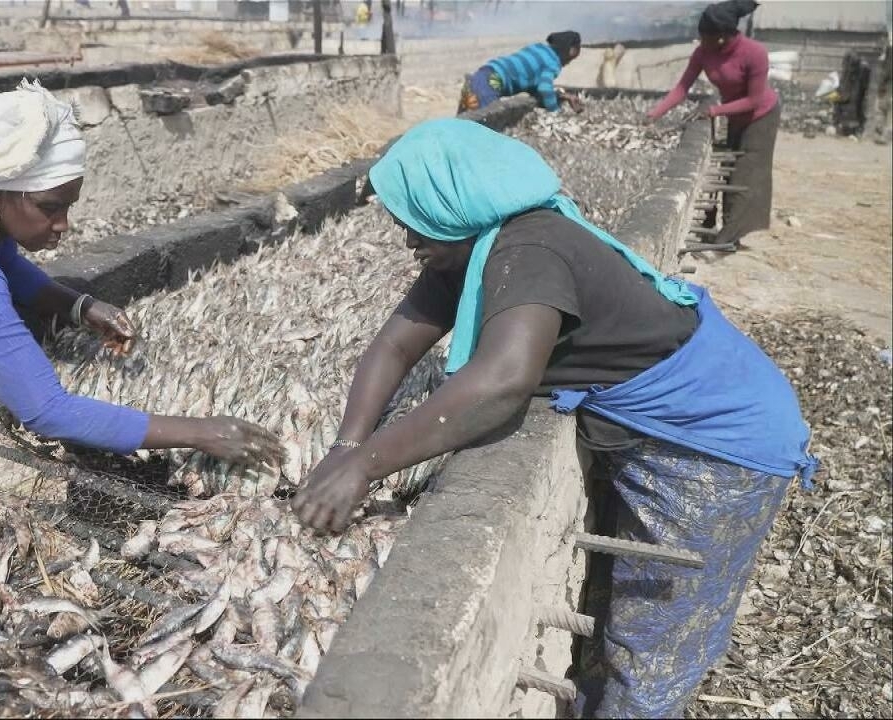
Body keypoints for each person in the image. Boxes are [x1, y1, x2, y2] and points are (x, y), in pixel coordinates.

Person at [289, 118, 817, 717]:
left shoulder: (530, 248)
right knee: (618, 606)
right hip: (668, 427)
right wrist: (344, 446)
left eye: (412, 218)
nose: (406, 238)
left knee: (651, 638)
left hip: (720, 444)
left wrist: (368, 465)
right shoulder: (468, 252)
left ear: (453, 202)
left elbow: (503, 384)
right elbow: (393, 347)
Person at [0, 81, 284, 466]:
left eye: (68, 207)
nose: (62, 226)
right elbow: (44, 410)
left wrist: (78, 306)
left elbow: (2, 257)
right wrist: (201, 432)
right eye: (50, 208)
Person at [647, 0, 778, 247]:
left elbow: (754, 99)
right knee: (729, 169)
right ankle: (713, 226)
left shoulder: (754, 53)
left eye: (704, 37)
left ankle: (729, 238)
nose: (701, 42)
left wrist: (715, 110)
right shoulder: (703, 52)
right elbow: (682, 87)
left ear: (721, 37)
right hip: (732, 114)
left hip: (760, 116)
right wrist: (654, 114)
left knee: (746, 173)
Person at [457, 31, 583, 115]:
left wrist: (560, 96)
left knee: (460, 125)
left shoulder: (538, 49)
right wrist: (555, 111)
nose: (567, 64)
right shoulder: (552, 63)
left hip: (480, 76)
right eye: (570, 60)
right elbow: (544, 88)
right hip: (489, 85)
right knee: (483, 128)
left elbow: (534, 85)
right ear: (571, 51)